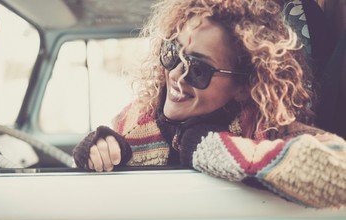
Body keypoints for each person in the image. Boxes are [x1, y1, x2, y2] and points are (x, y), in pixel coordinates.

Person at [73, 0, 346, 209]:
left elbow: (339, 171)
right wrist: (99, 151)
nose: (177, 76)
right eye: (173, 53)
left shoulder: (264, 128)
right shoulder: (134, 120)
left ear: (242, 87)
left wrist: (210, 148)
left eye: (199, 69)